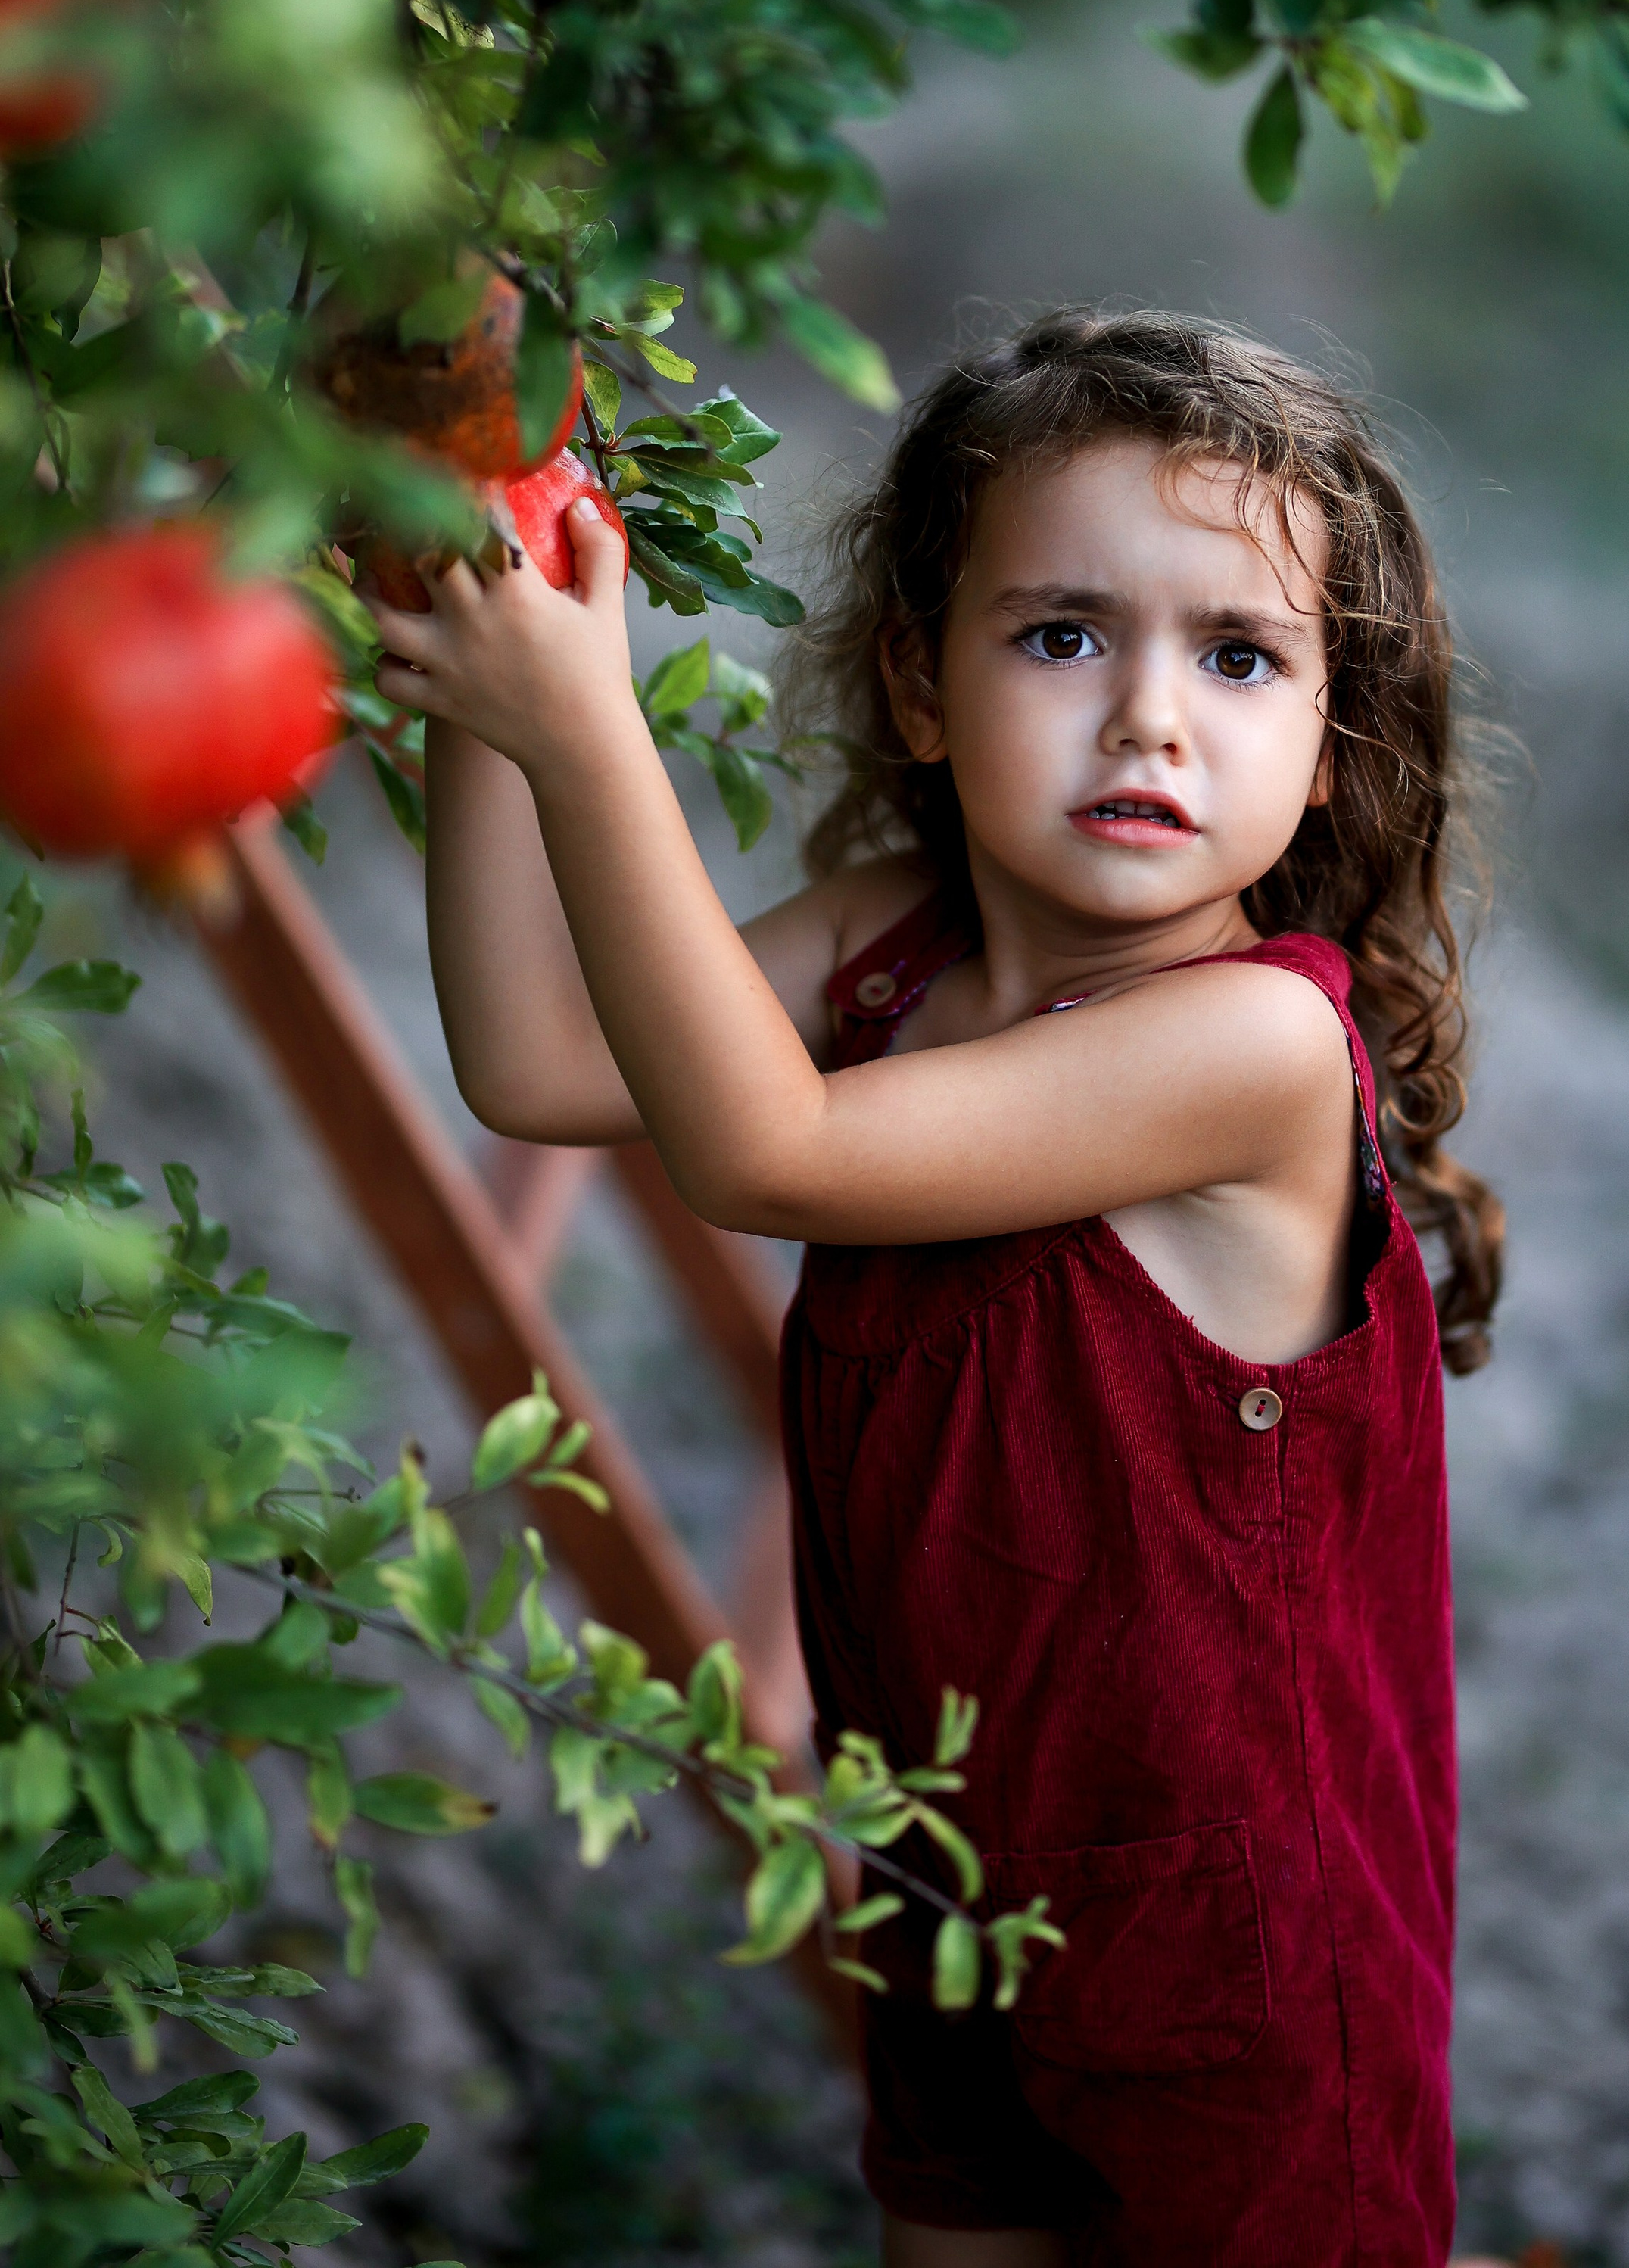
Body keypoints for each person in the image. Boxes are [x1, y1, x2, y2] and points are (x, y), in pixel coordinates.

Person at [379, 309, 1505, 2268]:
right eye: (1062, 634)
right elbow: (542, 1062)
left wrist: (588, 730)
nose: (1150, 713)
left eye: (1238, 657)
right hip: (951, 1868)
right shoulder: (897, 952)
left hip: (1235, 1927)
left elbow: (764, 1155)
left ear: (1333, 751)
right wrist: (487, 649)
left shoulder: (1245, 1050)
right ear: (920, 680)